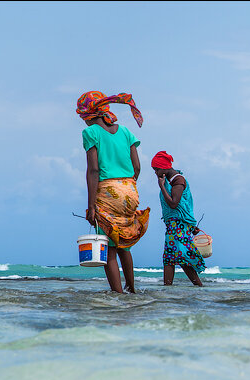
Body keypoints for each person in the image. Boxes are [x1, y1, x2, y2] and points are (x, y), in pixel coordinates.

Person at [77, 91, 150, 294]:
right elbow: (137, 166)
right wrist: (127, 187)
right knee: (124, 244)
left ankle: (118, 295)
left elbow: (93, 170)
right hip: (129, 189)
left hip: (108, 190)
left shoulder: (91, 133)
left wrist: (91, 206)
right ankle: (131, 289)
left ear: (90, 114)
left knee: (108, 246)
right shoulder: (126, 132)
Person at [151, 151, 206, 286]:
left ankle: (192, 286)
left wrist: (162, 187)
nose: (156, 173)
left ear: (164, 167)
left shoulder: (178, 180)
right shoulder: (171, 181)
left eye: (156, 169)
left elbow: (174, 203)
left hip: (179, 225)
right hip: (174, 225)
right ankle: (174, 288)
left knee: (176, 256)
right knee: (175, 257)